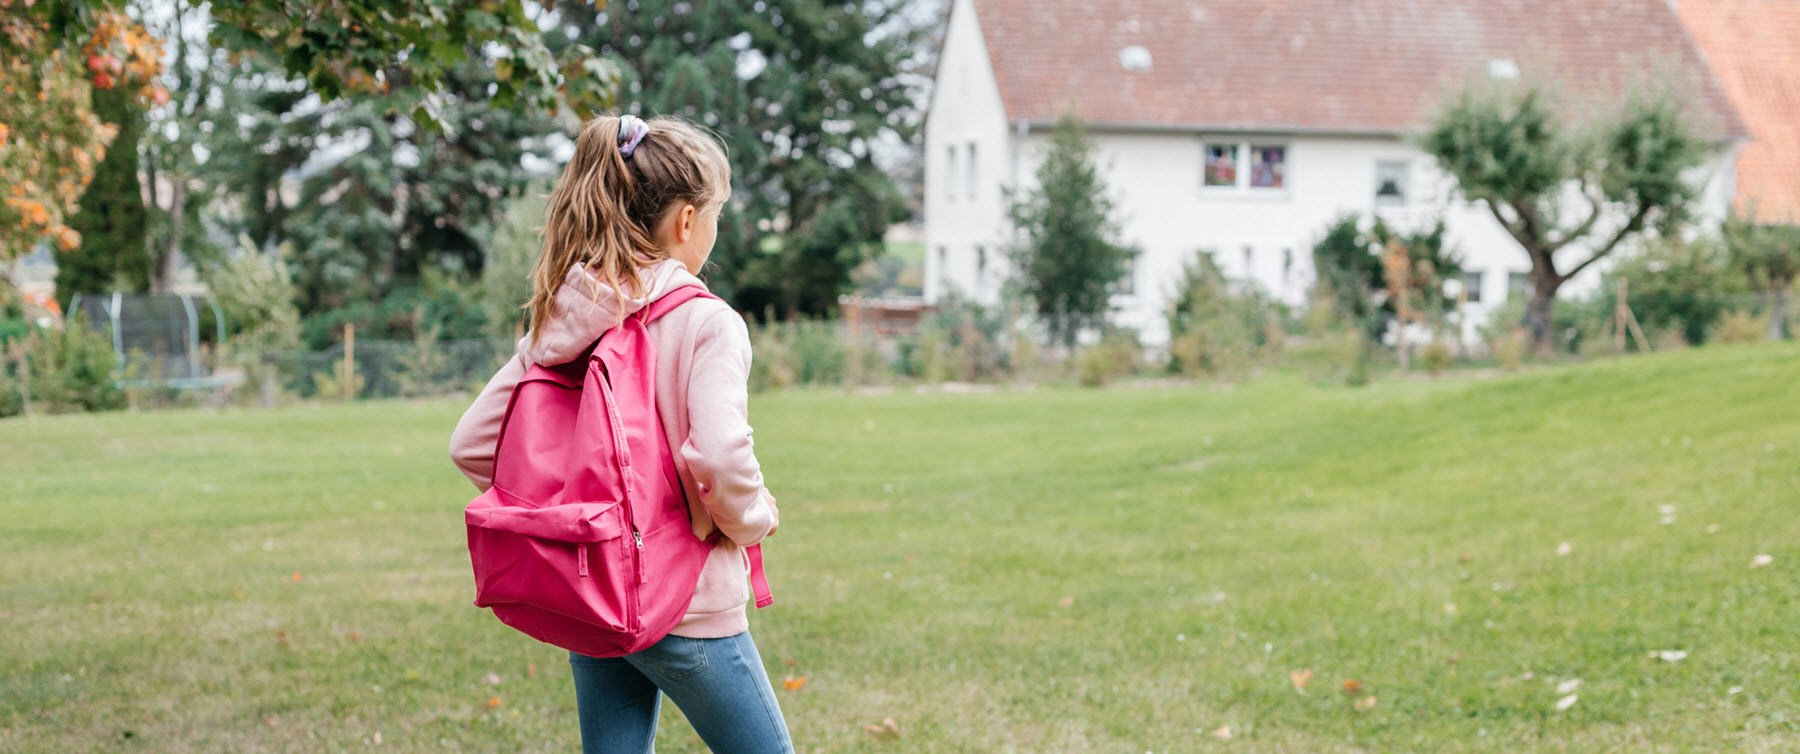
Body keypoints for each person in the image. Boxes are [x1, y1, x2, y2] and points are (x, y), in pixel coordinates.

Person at [448, 114, 791, 754]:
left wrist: (579, 514)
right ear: (687, 221)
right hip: (690, 609)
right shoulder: (706, 322)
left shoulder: (564, 320)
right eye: (715, 214)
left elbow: (471, 444)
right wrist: (751, 519)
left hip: (593, 598)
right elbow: (717, 456)